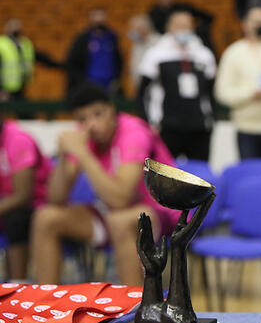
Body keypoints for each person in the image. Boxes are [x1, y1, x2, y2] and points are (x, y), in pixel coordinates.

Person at [30, 84, 178, 285]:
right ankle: (46, 305)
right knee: (46, 217)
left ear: (112, 111)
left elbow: (120, 198)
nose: (91, 124)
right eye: (83, 119)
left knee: (122, 220)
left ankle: (133, 308)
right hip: (113, 214)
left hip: (160, 213)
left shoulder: (134, 132)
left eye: (98, 114)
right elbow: (55, 199)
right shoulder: (85, 136)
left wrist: (82, 153)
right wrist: (65, 159)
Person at [137, 10, 217, 161]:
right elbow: (142, 92)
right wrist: (148, 122)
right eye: (179, 26)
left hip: (199, 126)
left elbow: (210, 91)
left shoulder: (204, 54)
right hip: (167, 126)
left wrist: (211, 120)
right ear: (169, 28)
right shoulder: (155, 55)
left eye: (187, 26)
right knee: (165, 175)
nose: (183, 30)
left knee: (199, 176)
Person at [215, 7, 261, 160]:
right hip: (246, 127)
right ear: (245, 24)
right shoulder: (233, 52)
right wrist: (251, 94)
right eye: (256, 22)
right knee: (250, 175)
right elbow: (222, 93)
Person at [0, 113, 50, 281]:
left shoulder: (18, 140)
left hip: (37, 205)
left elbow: (23, 195)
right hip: (7, 204)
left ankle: (17, 285)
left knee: (15, 219)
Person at [65, 7, 123, 94]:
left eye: (102, 16)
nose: (99, 19)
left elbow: (119, 60)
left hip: (109, 84)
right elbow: (73, 62)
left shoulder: (112, 38)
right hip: (89, 83)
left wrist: (116, 78)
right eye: (96, 16)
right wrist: (81, 81)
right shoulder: (83, 38)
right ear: (91, 18)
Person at [148, 0, 215, 52]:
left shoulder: (184, 7)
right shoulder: (153, 12)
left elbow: (208, 17)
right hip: (167, 42)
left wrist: (198, 29)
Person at [127, 14, 160, 93]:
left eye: (134, 28)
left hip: (155, 88)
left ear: (143, 28)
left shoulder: (158, 42)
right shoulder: (137, 43)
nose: (132, 31)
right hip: (140, 86)